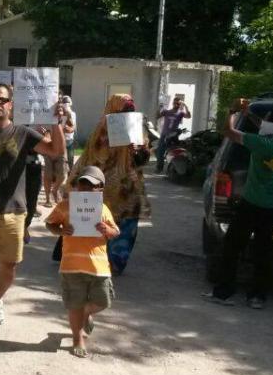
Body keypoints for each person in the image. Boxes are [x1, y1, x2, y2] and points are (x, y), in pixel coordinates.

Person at [0, 83, 65, 350]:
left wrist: (55, 121)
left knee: (9, 267)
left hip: (15, 212)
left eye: (2, 100)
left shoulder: (23, 133)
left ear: (11, 104)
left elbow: (55, 151)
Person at [206, 100, 273, 309]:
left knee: (232, 247)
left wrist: (233, 111)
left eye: (268, 119)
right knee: (263, 252)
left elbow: (228, 131)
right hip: (272, 206)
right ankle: (257, 297)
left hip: (251, 203)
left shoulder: (260, 143)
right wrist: (248, 112)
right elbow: (264, 125)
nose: (264, 122)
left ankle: (224, 292)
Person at [45, 166, 120, 358]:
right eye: (83, 184)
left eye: (92, 185)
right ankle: (78, 338)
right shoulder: (65, 205)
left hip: (99, 267)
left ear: (100, 189)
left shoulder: (103, 209)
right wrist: (61, 231)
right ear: (76, 186)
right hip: (71, 266)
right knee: (74, 305)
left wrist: (106, 230)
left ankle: (86, 313)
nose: (86, 188)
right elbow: (50, 223)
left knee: (103, 301)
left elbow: (115, 232)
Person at [80, 94, 151, 275]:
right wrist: (111, 145)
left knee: (127, 224)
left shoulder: (138, 129)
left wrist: (138, 150)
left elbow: (143, 160)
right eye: (124, 109)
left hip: (129, 190)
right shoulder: (101, 129)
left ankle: (117, 261)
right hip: (104, 188)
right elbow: (95, 156)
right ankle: (97, 259)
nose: (127, 113)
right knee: (100, 223)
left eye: (130, 109)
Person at [43, 98, 76, 205]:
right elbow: (44, 131)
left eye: (61, 107)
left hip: (62, 150)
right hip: (48, 148)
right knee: (47, 175)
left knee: (62, 175)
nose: (59, 109)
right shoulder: (45, 115)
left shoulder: (66, 115)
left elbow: (71, 128)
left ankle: (55, 189)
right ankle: (48, 199)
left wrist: (66, 126)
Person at [156, 94, 191, 173]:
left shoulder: (180, 113)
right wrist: (160, 107)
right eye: (175, 103)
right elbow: (157, 116)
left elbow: (188, 116)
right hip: (164, 135)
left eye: (178, 104)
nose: (176, 105)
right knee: (160, 151)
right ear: (172, 103)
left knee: (175, 152)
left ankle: (173, 169)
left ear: (180, 104)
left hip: (173, 136)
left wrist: (185, 106)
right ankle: (159, 167)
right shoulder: (167, 112)